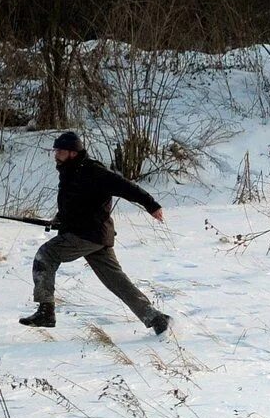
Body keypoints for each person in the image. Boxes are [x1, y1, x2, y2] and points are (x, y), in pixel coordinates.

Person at [18, 132, 172, 334]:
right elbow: (75, 203)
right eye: (55, 150)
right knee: (116, 281)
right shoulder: (70, 171)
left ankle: (46, 311)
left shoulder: (93, 171)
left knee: (45, 255)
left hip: (88, 234)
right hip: (93, 235)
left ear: (73, 153)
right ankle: (156, 319)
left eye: (61, 151)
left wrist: (151, 205)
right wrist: (61, 219)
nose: (56, 154)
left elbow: (126, 187)